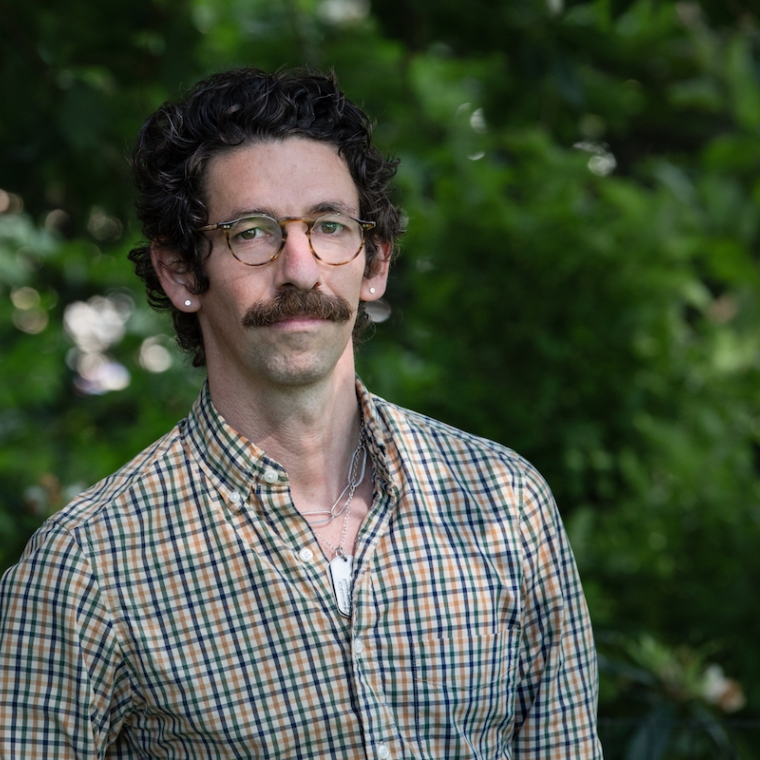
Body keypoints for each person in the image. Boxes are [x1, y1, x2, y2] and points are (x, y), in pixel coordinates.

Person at [0, 67, 602, 759]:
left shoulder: (503, 502)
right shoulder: (87, 566)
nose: (300, 269)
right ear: (181, 274)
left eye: (329, 226)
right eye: (252, 233)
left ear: (372, 262)